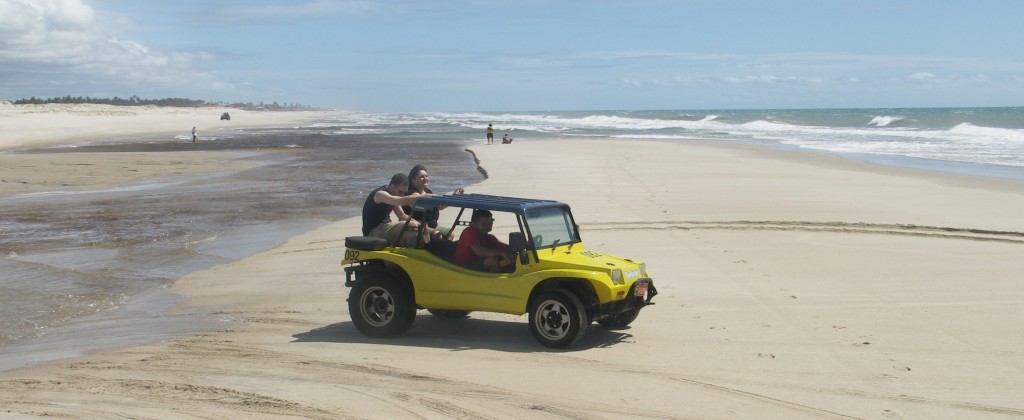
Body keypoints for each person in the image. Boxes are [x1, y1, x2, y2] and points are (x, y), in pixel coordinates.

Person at [361, 173, 429, 244]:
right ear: (392, 186)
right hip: (372, 232)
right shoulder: (380, 194)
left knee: (421, 227)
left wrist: (421, 224)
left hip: (385, 227)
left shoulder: (394, 194)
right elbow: (398, 200)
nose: (402, 195)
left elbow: (402, 216)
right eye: (400, 192)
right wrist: (424, 197)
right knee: (412, 226)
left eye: (404, 193)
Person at [401, 164, 464, 240]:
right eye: (421, 177)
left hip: (433, 225)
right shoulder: (411, 193)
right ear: (413, 180)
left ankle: (443, 250)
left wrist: (453, 197)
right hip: (418, 226)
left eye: (426, 176)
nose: (425, 178)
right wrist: (436, 197)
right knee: (438, 235)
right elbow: (421, 201)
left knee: (450, 233)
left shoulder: (428, 192)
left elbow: (440, 206)